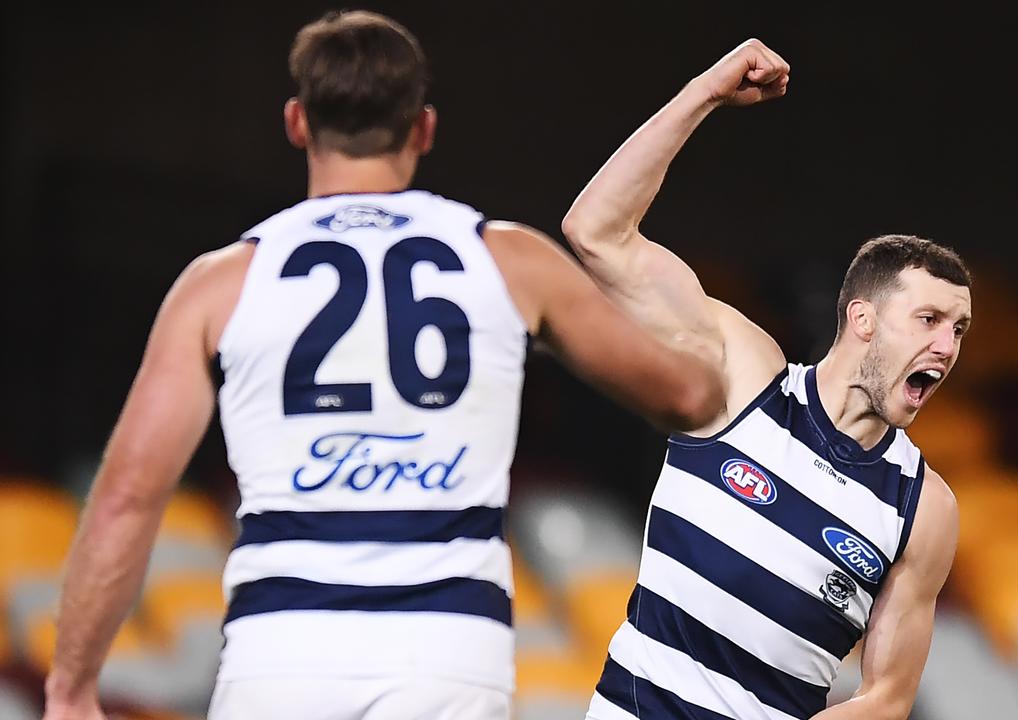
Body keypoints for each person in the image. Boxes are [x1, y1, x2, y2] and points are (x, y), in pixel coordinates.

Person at [42, 11, 727, 720]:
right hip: (448, 654)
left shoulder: (219, 284)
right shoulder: (511, 261)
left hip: (280, 655)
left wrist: (70, 688)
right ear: (423, 128)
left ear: (297, 122)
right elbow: (686, 396)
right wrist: (711, 348)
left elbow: (127, 495)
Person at [561, 39, 968, 720]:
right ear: (862, 319)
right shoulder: (742, 373)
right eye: (928, 318)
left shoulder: (923, 510)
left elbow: (888, 699)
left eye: (959, 328)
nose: (947, 345)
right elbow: (595, 231)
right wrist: (705, 92)